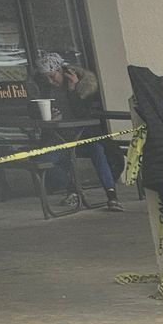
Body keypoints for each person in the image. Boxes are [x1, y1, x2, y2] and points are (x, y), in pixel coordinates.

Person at [38, 53, 123, 211]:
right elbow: (37, 110)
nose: (50, 81)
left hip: (85, 135)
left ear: (62, 71)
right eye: (46, 78)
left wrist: (73, 90)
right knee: (44, 160)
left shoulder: (83, 85)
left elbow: (83, 113)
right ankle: (72, 188)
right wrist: (50, 118)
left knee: (98, 151)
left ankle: (111, 194)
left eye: (52, 76)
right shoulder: (46, 91)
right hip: (60, 138)